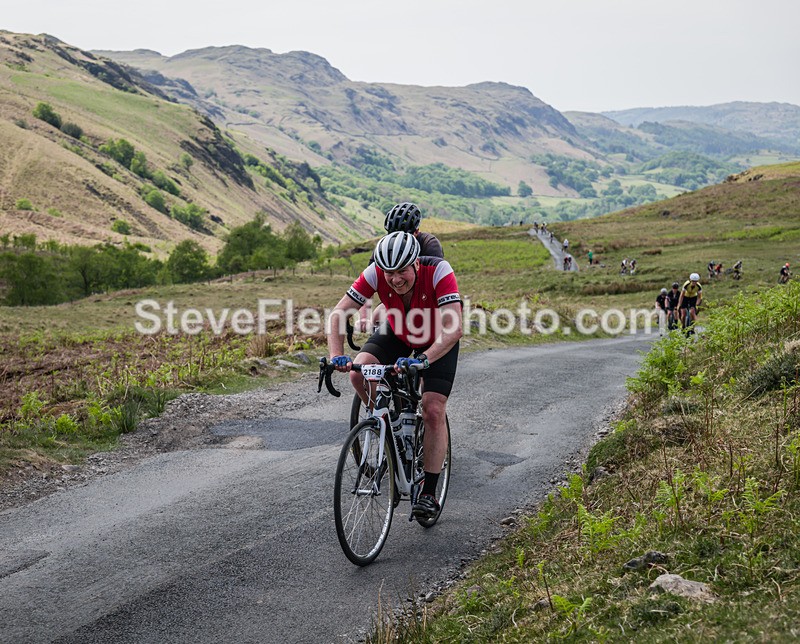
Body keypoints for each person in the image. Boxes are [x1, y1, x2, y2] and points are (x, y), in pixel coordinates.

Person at [327, 231, 463, 520]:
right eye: (389, 273)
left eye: (402, 271)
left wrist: (425, 359)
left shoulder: (439, 270)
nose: (395, 279)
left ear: (415, 263)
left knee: (433, 409)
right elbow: (339, 313)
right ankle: (389, 429)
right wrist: (335, 355)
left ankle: (428, 492)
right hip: (398, 331)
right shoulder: (375, 273)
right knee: (358, 373)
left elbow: (454, 328)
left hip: (437, 339)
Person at [359, 202, 444, 331]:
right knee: (377, 316)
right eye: (392, 235)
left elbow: (435, 282)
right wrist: (364, 317)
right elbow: (367, 286)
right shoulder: (385, 247)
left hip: (425, 298)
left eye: (404, 235)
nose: (397, 239)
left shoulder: (429, 244)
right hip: (397, 295)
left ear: (416, 232)